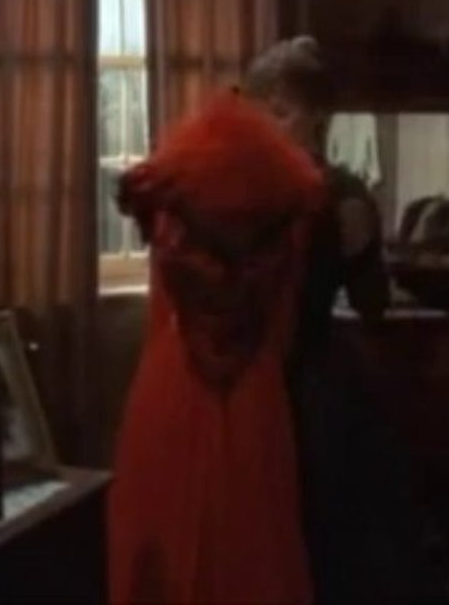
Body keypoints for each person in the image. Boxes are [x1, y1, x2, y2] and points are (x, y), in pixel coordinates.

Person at [244, 37, 449, 605]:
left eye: (281, 112)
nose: (268, 127)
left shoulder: (340, 195)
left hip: (310, 383)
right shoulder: (251, 188)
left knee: (326, 527)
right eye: (261, 113)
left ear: (317, 116)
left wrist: (356, 247)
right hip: (252, 376)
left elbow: (370, 301)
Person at [108, 84, 325, 602]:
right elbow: (286, 316)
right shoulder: (286, 210)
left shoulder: (168, 204)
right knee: (253, 540)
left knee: (166, 532)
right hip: (254, 387)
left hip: (173, 380)